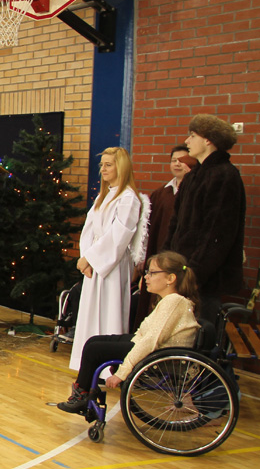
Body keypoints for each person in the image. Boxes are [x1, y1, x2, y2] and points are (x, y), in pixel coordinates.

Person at [56, 251, 200, 413]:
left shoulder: (174, 301)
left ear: (170, 278)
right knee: (93, 342)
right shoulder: (170, 300)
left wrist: (122, 372)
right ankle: (83, 393)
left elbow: (151, 341)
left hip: (161, 354)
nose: (146, 277)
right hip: (155, 347)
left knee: (94, 349)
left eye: (152, 273)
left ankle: (82, 396)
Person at [165, 114, 247, 323]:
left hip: (203, 281)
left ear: (208, 139)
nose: (187, 141)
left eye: (193, 135)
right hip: (181, 273)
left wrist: (194, 274)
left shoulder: (224, 175)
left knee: (199, 332)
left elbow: (217, 233)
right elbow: (175, 223)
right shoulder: (193, 176)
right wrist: (166, 261)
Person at [70, 147, 147, 370]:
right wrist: (85, 258)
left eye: (108, 165)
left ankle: (107, 367)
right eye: (101, 165)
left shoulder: (128, 198)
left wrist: (91, 258)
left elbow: (119, 236)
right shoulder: (103, 196)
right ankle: (87, 364)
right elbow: (89, 229)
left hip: (111, 265)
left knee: (109, 313)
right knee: (90, 314)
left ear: (121, 167)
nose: (103, 169)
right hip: (94, 264)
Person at [134, 145, 194, 323]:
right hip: (160, 254)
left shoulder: (193, 193)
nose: (177, 164)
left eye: (182, 161)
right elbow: (149, 229)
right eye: (174, 160)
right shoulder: (160, 194)